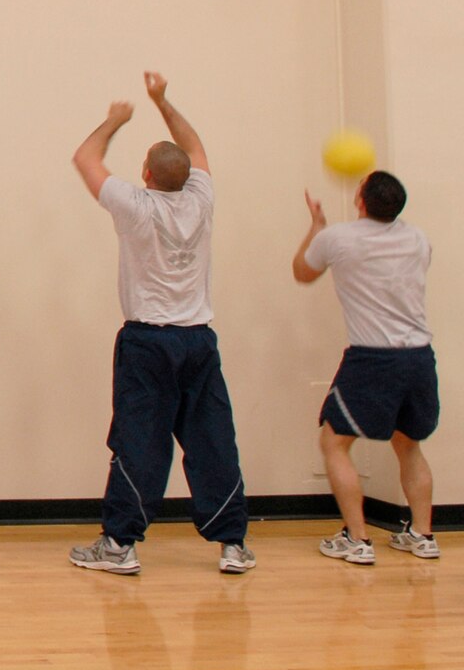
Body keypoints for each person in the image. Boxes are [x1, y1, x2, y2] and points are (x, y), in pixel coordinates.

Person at [69, 73, 253, 575]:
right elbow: (195, 146)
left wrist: (115, 119)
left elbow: (86, 159)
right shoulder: (202, 198)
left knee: (138, 441)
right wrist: (163, 101)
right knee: (213, 438)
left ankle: (120, 545)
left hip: (148, 342)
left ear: (145, 174)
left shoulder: (135, 205)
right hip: (198, 341)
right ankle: (232, 544)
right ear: (186, 176)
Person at [294, 170, 441, 563]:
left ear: (360, 201)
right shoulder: (417, 238)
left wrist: (317, 226)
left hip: (374, 359)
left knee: (333, 441)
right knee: (409, 444)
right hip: (419, 357)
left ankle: (357, 540)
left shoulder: (337, 238)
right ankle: (423, 536)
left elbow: (302, 272)